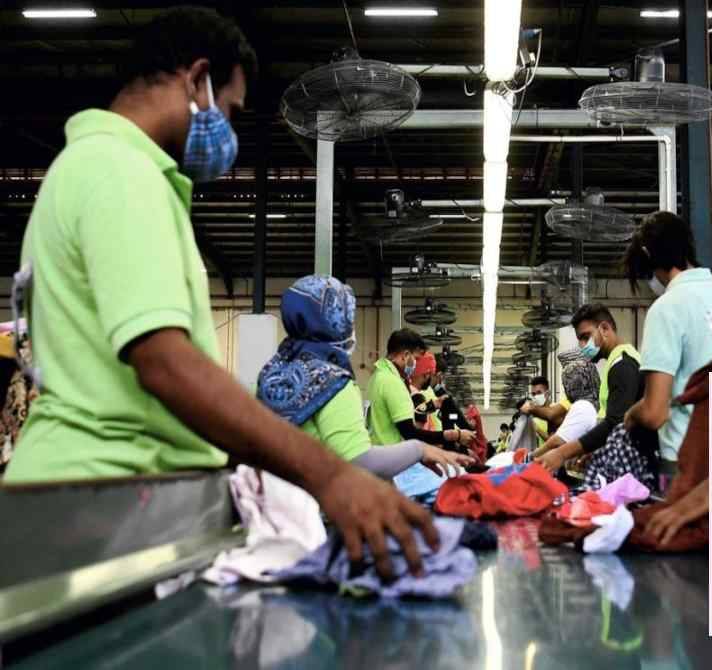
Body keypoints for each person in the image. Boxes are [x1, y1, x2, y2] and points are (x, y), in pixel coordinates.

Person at [2, 7, 435, 579]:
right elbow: (166, 365)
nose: (228, 131)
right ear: (196, 79)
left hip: (92, 495)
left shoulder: (84, 167)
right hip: (105, 498)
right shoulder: (122, 173)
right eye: (230, 110)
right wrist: (330, 475)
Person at [257, 276, 473, 479]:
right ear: (335, 323)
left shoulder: (272, 373)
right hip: (314, 504)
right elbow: (358, 461)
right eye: (348, 319)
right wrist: (419, 450)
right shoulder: (333, 383)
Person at [622, 211, 712, 468]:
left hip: (687, 459)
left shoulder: (667, 307)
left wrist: (631, 415)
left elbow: (655, 413)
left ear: (648, 256)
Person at [538, 305, 659, 490]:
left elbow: (615, 423)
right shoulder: (618, 363)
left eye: (586, 337)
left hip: (633, 468)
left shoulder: (622, 365)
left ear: (604, 329)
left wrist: (561, 454)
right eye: (580, 339)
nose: (582, 345)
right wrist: (595, 449)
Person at [367, 328, 474, 450]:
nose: (416, 365)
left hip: (381, 451)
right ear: (405, 356)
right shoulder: (392, 382)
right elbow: (409, 432)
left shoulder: (377, 377)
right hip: (393, 457)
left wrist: (431, 405)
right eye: (416, 359)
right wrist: (454, 435)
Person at [531, 359, 600, 461]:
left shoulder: (582, 406)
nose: (566, 390)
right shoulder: (593, 404)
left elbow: (557, 441)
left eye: (567, 384)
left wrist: (531, 456)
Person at [520, 375, 569, 441]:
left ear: (548, 393)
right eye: (533, 394)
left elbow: (554, 442)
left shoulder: (557, 411)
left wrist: (536, 428)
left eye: (539, 392)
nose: (536, 396)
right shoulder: (535, 415)